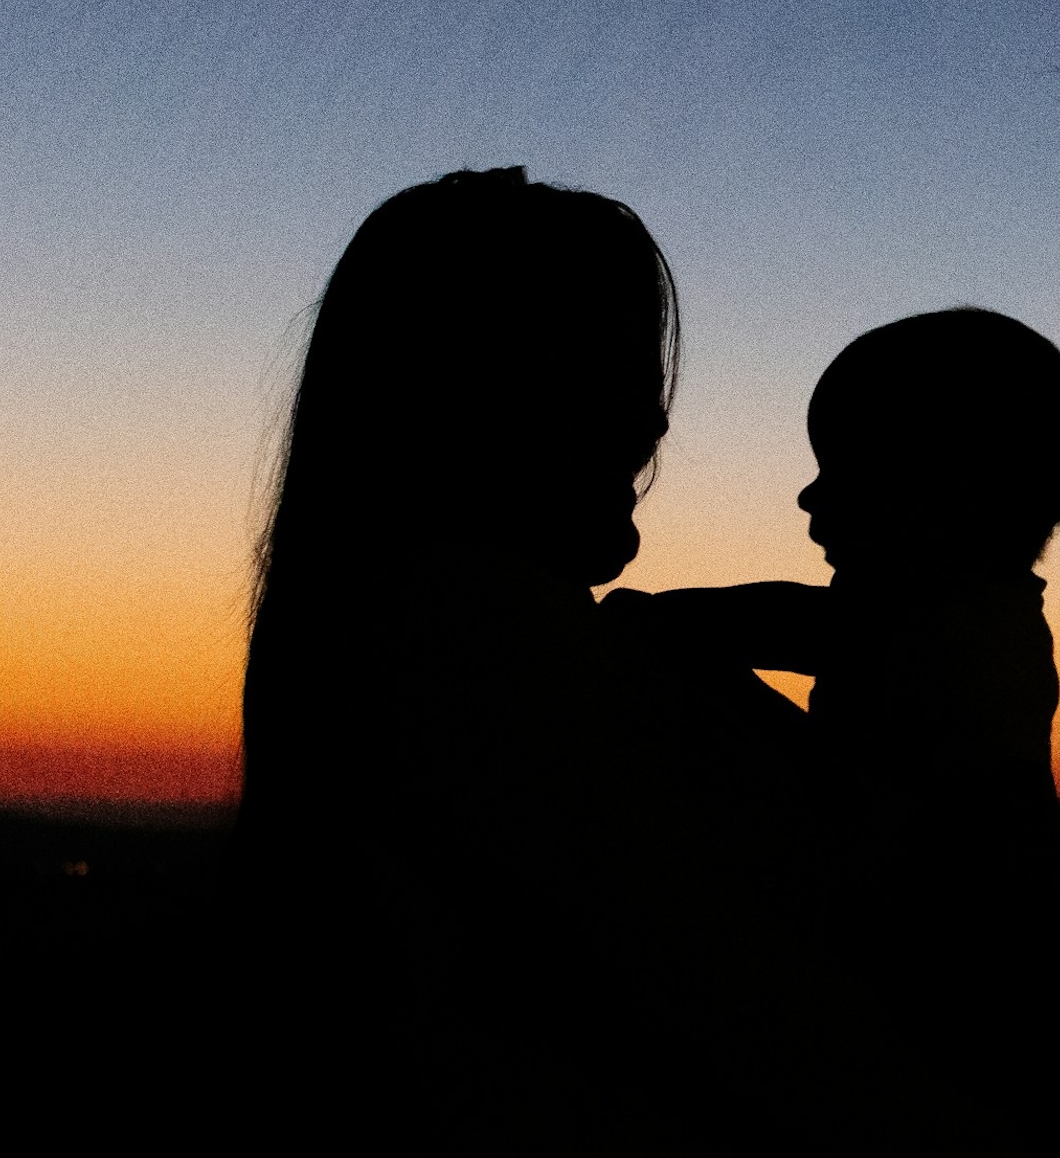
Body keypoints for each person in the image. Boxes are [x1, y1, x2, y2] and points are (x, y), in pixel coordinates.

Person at [237, 167, 975, 1148]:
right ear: (466, 389)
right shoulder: (467, 637)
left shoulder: (429, 637)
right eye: (609, 371)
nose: (654, 420)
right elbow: (797, 1047)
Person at [613, 307, 1060, 1143]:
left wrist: (649, 622)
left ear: (952, 495)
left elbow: (779, 623)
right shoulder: (975, 623)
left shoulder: (952, 626)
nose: (808, 495)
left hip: (951, 1007)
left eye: (846, 471)